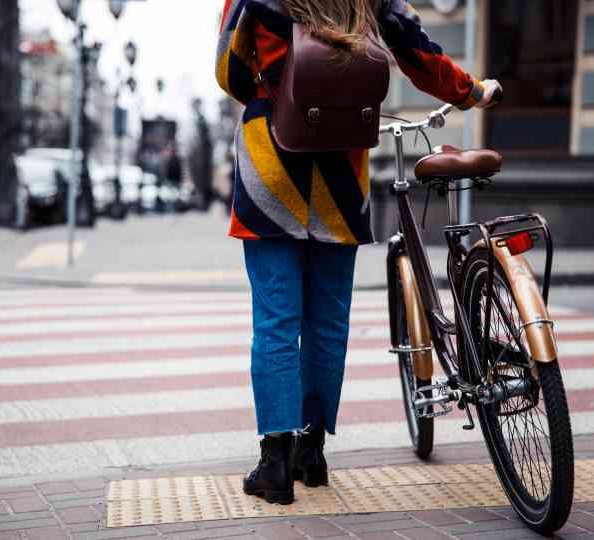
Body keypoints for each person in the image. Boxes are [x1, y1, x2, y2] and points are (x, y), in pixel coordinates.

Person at [216, 0, 501, 505]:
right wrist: (472, 91)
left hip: (270, 168)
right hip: (340, 174)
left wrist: (276, 83)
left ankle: (274, 463)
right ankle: (313, 450)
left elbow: (230, 73)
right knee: (327, 321)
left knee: (276, 320)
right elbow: (418, 54)